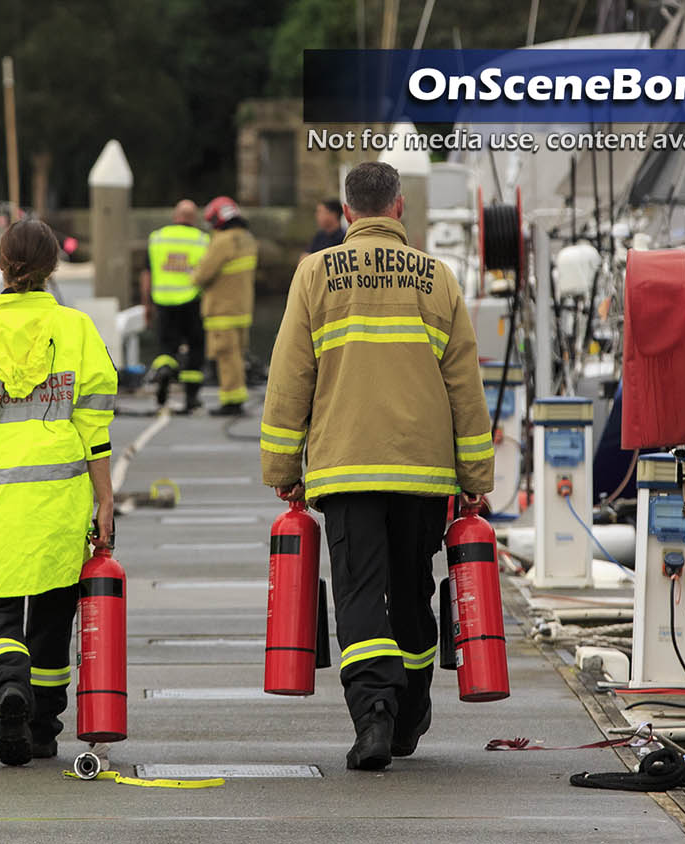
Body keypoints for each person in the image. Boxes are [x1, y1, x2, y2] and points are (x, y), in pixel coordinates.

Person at [260, 161, 494, 771]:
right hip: (422, 471)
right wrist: (476, 481)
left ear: (346, 214)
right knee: (414, 593)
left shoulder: (314, 274)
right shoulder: (437, 277)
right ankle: (411, 711)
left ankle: (373, 716)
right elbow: (464, 387)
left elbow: (290, 377)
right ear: (398, 210)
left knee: (360, 592)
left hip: (346, 469)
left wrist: (284, 464)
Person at [0, 219, 118, 766]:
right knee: (55, 616)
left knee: (0, 612)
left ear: (0, 264)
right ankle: (41, 728)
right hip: (59, 501)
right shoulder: (77, 329)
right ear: (53, 267)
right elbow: (94, 426)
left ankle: (8, 689)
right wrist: (104, 500)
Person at [139, 200, 210, 412]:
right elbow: (209, 274)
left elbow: (146, 274)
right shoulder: (202, 240)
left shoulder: (157, 238)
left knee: (166, 348)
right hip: (192, 302)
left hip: (163, 302)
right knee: (196, 347)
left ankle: (164, 375)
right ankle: (191, 397)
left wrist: (146, 304)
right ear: (194, 218)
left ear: (175, 216)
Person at [193, 196, 258, 416]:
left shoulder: (222, 241)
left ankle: (231, 402)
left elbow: (202, 275)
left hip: (221, 310)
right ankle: (236, 398)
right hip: (242, 309)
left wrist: (193, 273)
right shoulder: (247, 238)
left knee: (226, 357)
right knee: (236, 356)